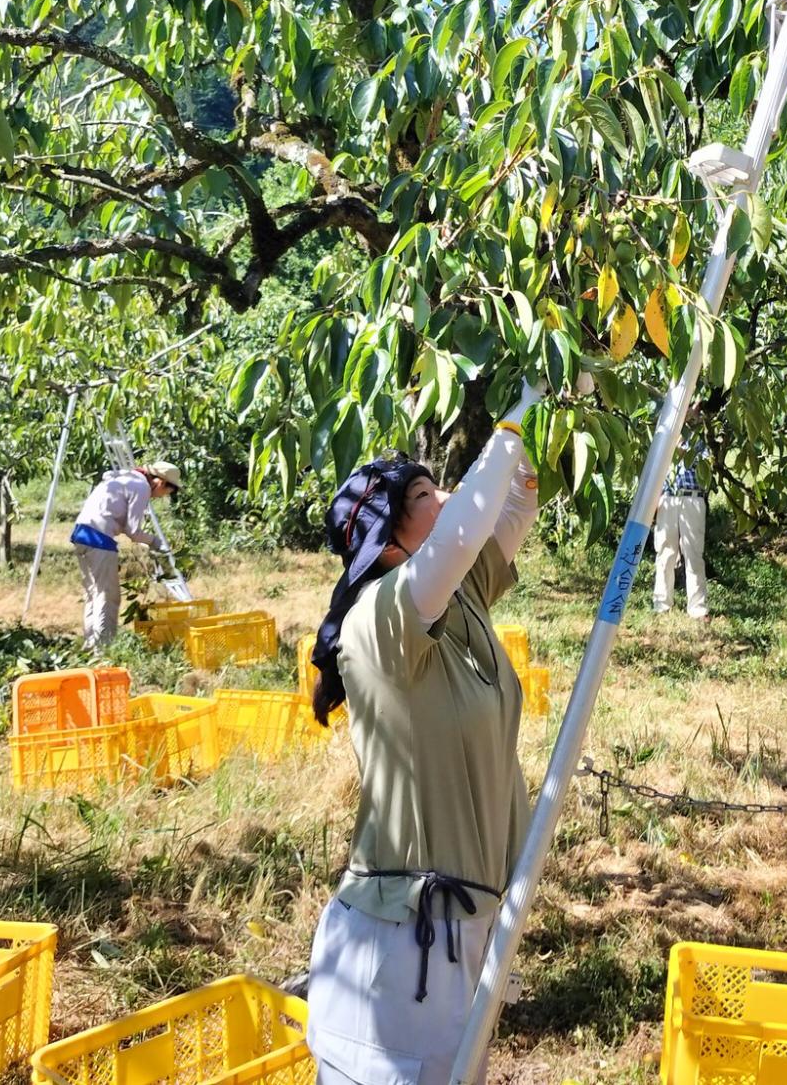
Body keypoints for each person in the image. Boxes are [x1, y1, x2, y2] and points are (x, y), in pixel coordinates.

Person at [304, 383, 543, 1085]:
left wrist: (565, 392)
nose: (443, 502)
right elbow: (468, 524)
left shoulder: (458, 597)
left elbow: (512, 507)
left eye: (441, 490)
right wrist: (517, 410)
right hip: (399, 944)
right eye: (422, 498)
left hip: (463, 930)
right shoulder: (378, 619)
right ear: (383, 540)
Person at [68, 460, 181, 650]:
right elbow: (133, 530)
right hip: (99, 539)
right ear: (160, 483)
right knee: (108, 595)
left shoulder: (123, 478)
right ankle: (103, 648)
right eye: (164, 493)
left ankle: (90, 644)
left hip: (81, 534)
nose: (159, 497)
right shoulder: (141, 486)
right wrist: (155, 542)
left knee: (92, 593)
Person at [651, 430, 709, 619]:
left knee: (693, 554)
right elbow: (655, 465)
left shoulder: (701, 438)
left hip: (692, 498)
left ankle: (697, 608)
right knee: (665, 552)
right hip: (668, 499)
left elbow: (705, 465)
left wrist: (683, 446)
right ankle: (662, 604)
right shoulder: (664, 433)